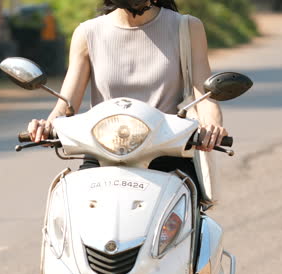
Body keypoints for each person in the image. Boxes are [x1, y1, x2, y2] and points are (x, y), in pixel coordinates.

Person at [26, 0, 228, 174]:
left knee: (187, 215)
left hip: (167, 151)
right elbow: (66, 105)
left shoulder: (186, 27)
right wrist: (47, 126)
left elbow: (205, 97)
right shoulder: (88, 33)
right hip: (102, 153)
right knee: (69, 209)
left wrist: (211, 127)